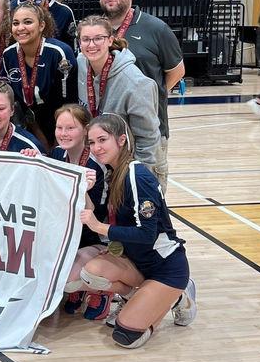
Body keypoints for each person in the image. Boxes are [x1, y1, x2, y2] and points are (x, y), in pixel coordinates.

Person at [79, 113, 197, 349]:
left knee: (126, 336)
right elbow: (99, 217)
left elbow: (147, 235)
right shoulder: (112, 173)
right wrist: (83, 190)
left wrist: (99, 227)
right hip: (138, 263)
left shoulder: (137, 175)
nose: (97, 148)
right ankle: (145, 297)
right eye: (92, 143)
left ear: (121, 140)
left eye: (102, 140)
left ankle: (176, 295)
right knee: (90, 273)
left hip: (166, 268)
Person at [99, 0, 184, 192]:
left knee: (148, 198)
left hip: (148, 131)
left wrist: (145, 97)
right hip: (108, 134)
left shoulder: (155, 28)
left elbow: (177, 70)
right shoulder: (97, 32)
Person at [47, 104, 110, 320]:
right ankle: (80, 285)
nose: (63, 134)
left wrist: (83, 190)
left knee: (68, 280)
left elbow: (94, 218)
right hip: (66, 233)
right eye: (59, 128)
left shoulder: (98, 165)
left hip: (94, 238)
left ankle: (101, 289)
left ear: (85, 130)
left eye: (71, 128)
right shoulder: (56, 154)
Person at [76, 15, 160, 167]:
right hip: (98, 161)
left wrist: (138, 176)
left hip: (128, 164)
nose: (91, 45)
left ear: (110, 40)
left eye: (98, 38)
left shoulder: (135, 83)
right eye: (86, 39)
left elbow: (148, 139)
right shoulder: (80, 64)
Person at [0, 2, 75, 149]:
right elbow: (20, 102)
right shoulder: (8, 55)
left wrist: (56, 142)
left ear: (41, 26)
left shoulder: (59, 53)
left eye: (27, 22)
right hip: (30, 126)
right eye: (16, 23)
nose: (20, 28)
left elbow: (68, 103)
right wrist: (37, 134)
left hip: (62, 126)